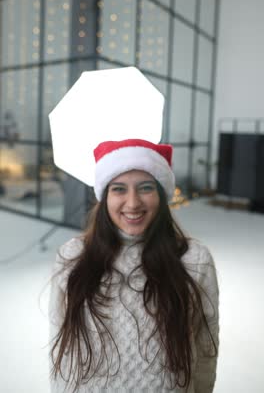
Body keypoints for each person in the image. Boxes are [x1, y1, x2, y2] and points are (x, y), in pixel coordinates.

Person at [49, 138, 219, 392]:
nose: (132, 203)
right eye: (118, 189)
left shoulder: (193, 260)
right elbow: (60, 343)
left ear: (161, 194)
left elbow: (206, 346)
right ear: (104, 197)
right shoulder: (72, 257)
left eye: (145, 188)